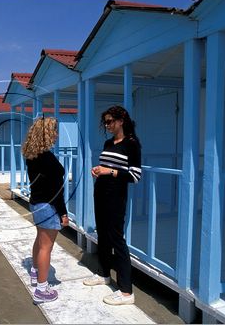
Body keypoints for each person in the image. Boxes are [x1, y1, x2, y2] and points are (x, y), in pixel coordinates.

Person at [83, 105, 142, 306]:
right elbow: (108, 166)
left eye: (110, 121)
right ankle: (104, 274)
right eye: (105, 122)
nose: (107, 125)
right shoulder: (109, 143)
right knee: (103, 235)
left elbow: (135, 175)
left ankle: (126, 292)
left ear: (121, 121)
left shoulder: (131, 144)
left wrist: (111, 172)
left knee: (117, 239)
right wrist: (98, 170)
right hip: (100, 193)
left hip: (116, 197)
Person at [22, 116, 69, 304]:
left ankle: (35, 272)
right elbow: (56, 191)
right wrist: (63, 213)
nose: (57, 134)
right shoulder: (47, 158)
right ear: (47, 133)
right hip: (48, 206)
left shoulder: (32, 155)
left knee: (40, 240)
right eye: (54, 131)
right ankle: (42, 289)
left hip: (36, 203)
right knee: (46, 247)